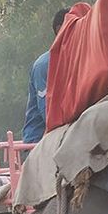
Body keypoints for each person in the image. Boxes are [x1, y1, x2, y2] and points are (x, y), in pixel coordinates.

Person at [21, 9, 69, 145]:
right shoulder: (44, 65)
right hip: (39, 144)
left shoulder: (78, 61)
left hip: (66, 140)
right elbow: (48, 114)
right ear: (61, 30)